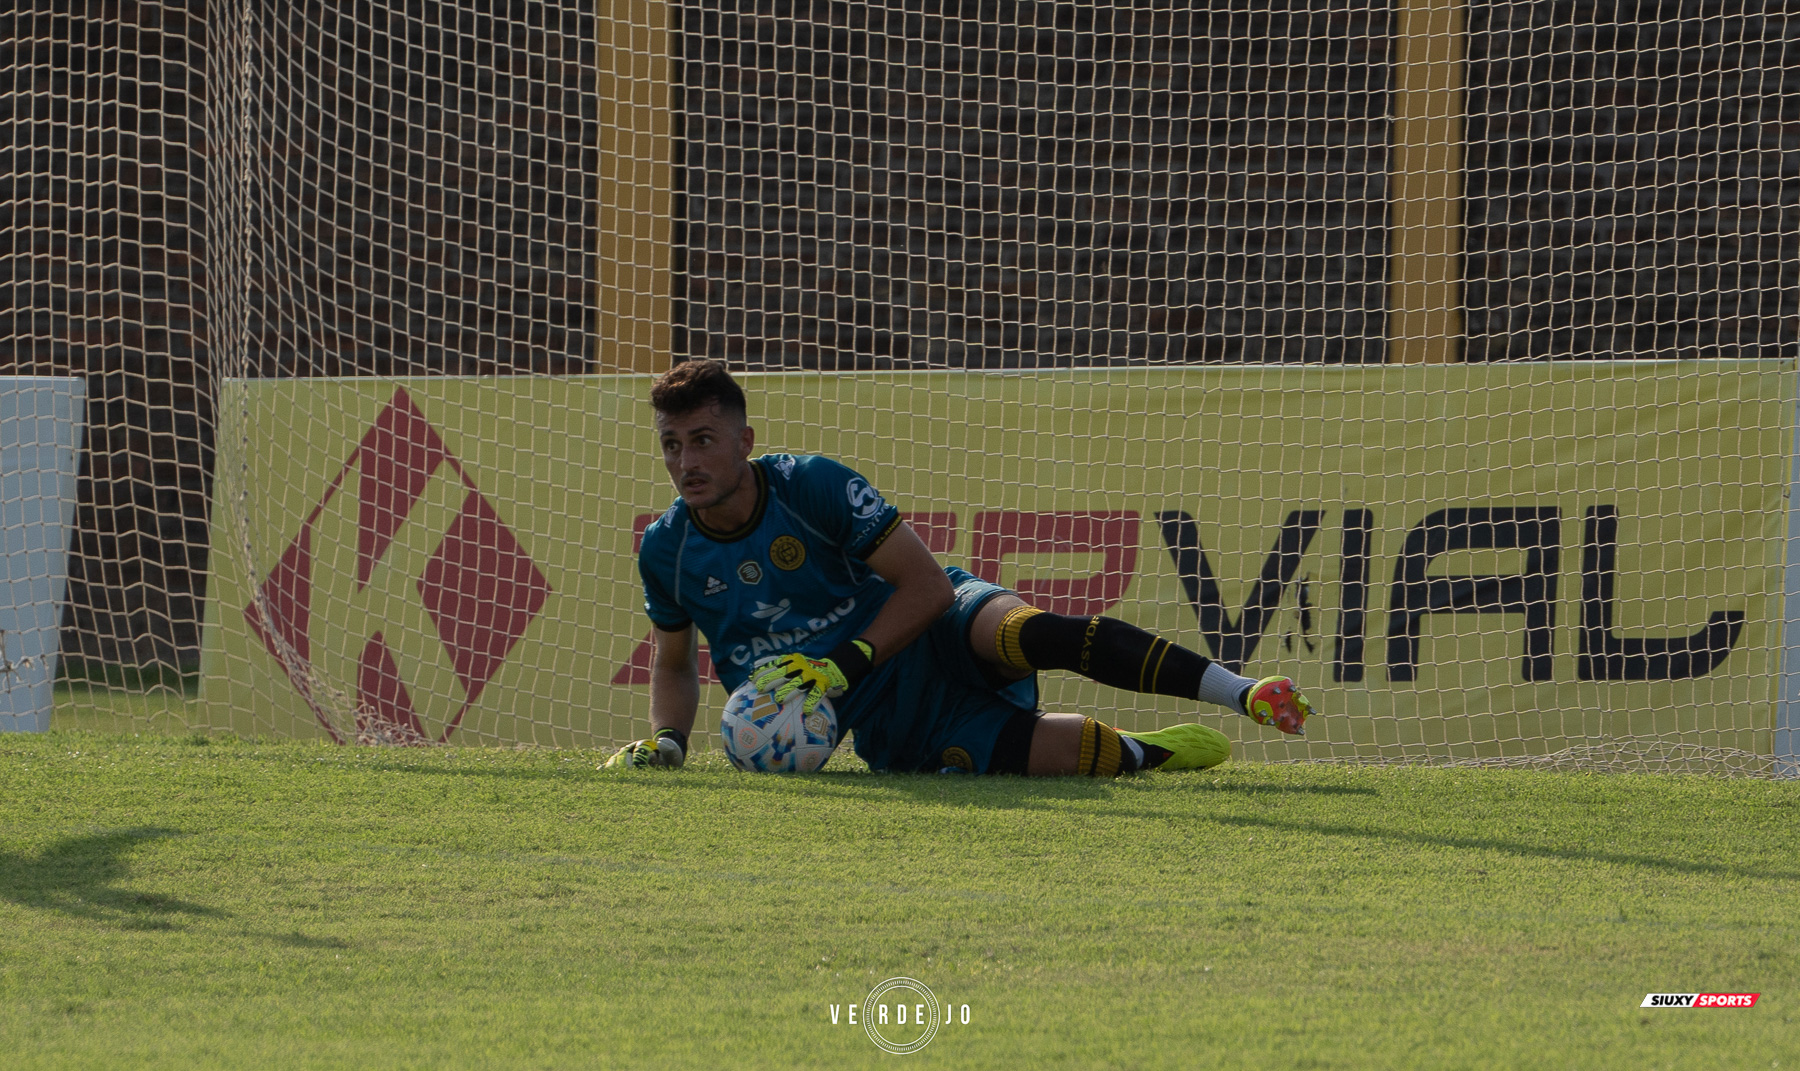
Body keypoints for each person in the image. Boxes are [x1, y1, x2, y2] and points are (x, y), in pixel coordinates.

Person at [607, 359, 1314, 775]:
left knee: (1029, 632)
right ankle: (1148, 751)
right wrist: (670, 740)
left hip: (932, 625)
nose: (686, 462)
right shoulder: (666, 550)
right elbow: (674, 661)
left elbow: (928, 585)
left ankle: (1242, 690)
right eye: (672, 445)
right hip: (891, 716)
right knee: (1066, 754)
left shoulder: (811, 485)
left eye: (702, 440)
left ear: (744, 441)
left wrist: (843, 662)